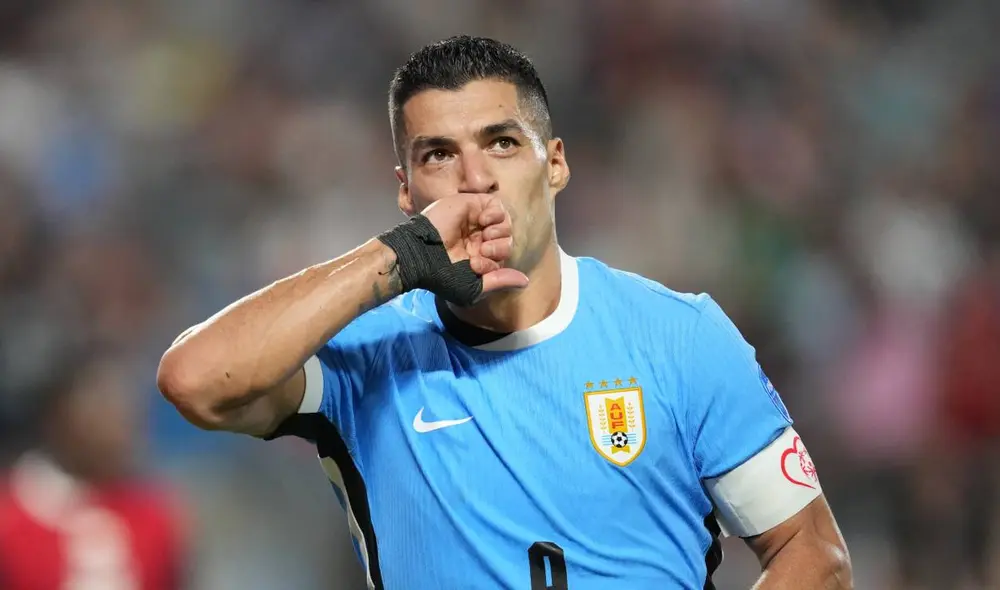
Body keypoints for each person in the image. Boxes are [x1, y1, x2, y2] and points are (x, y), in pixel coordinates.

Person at [157, 36, 851, 589]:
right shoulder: (363, 356)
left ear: (555, 165)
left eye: (502, 143)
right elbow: (194, 380)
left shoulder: (680, 337)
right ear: (406, 191)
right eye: (438, 155)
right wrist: (398, 256)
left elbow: (812, 552)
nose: (475, 179)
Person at [0, 348, 188, 590]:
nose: (117, 423)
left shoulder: (155, 519)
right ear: (57, 414)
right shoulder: (10, 516)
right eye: (102, 404)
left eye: (125, 407)